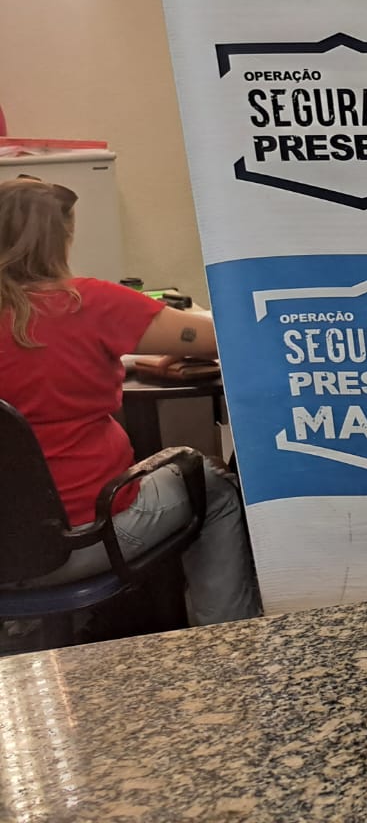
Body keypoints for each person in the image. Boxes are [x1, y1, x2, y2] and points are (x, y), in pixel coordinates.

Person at [0, 177, 261, 624]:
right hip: (80, 542)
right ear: (60, 238)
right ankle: (227, 642)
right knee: (213, 486)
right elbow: (223, 337)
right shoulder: (87, 303)